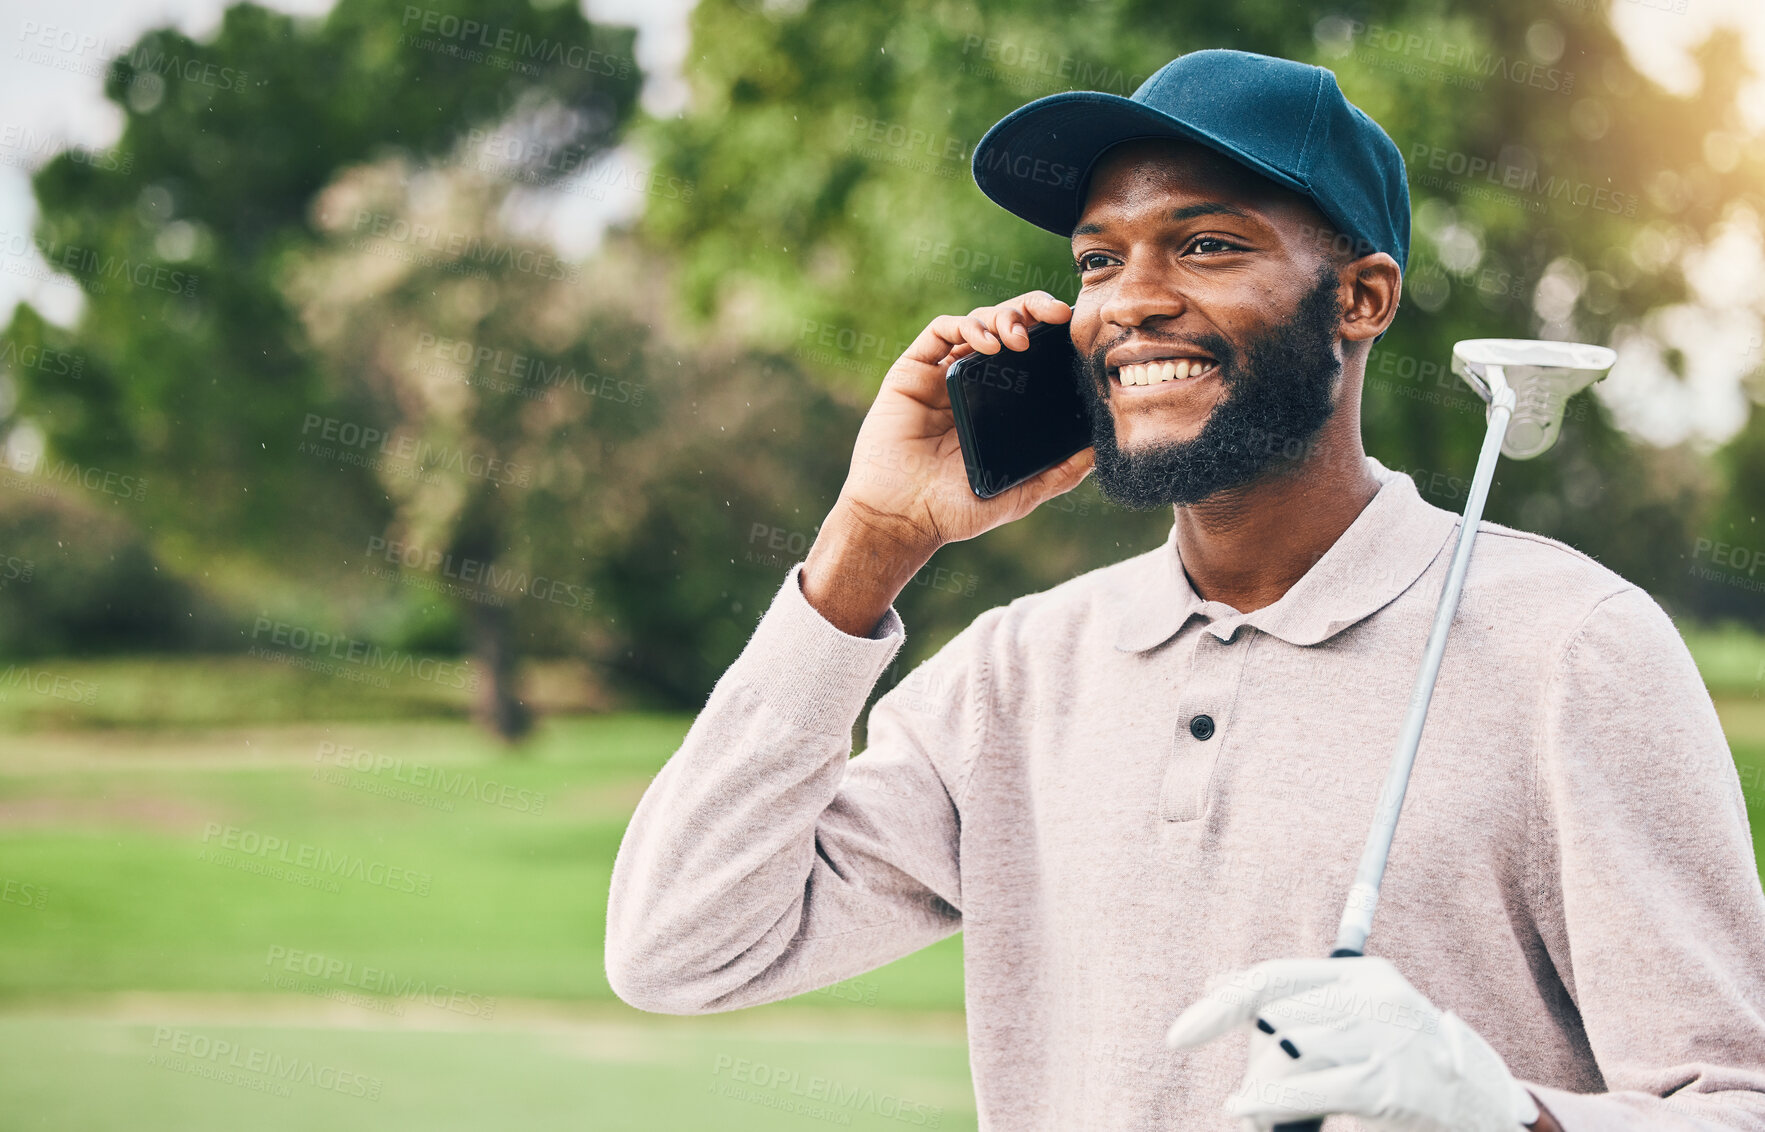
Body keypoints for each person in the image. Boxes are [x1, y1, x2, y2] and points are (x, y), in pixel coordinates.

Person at [605, 48, 1765, 1131]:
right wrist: (870, 540)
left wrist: (1506, 1112)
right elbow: (680, 946)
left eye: (1205, 245)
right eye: (1098, 260)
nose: (1130, 300)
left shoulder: (1572, 646)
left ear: (1360, 298)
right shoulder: (1016, 675)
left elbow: (1733, 1098)